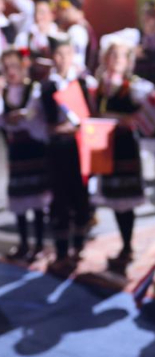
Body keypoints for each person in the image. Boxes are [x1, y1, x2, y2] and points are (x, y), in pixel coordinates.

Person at [92, 38, 155, 265]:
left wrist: (134, 120)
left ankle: (127, 246)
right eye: (112, 56)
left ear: (127, 61)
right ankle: (125, 245)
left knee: (126, 197)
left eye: (120, 56)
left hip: (125, 146)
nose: (115, 61)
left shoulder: (133, 86)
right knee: (114, 197)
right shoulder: (101, 85)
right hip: (107, 146)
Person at [40, 40, 96, 264]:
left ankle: (79, 243)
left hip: (79, 147)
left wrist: (79, 128)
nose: (62, 59)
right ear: (53, 57)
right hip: (56, 148)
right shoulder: (45, 86)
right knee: (59, 197)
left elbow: (92, 114)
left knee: (80, 195)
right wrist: (51, 130)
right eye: (58, 55)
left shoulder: (84, 83)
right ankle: (61, 249)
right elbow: (36, 119)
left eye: (66, 54)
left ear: (73, 55)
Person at [0, 49, 50, 260]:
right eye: (6, 67)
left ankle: (38, 243)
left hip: (34, 148)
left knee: (37, 196)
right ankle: (23, 243)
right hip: (16, 149)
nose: (11, 71)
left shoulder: (33, 89)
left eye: (14, 66)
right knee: (19, 195)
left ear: (24, 65)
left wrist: (24, 119)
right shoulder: (4, 93)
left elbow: (39, 118)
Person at [14, 0, 68, 81]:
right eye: (36, 13)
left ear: (52, 14)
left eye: (42, 12)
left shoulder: (61, 37)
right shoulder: (24, 37)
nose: (38, 17)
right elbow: (21, 58)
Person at [56, 0, 98, 72]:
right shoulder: (78, 27)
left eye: (63, 7)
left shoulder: (76, 30)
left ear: (74, 8)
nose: (60, 11)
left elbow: (75, 62)